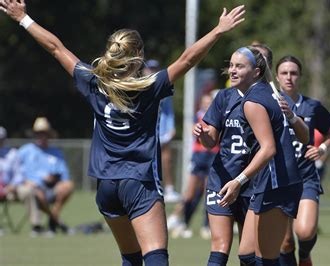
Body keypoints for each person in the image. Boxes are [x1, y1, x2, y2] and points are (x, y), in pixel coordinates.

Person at [0, 1, 245, 265]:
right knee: (155, 255)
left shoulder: (94, 82)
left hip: (107, 186)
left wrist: (23, 19)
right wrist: (218, 31)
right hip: (139, 182)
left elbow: (56, 48)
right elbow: (187, 59)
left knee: (130, 258)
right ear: (138, 55)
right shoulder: (150, 86)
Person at [216, 46, 307, 265]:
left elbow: (268, 149)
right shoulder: (269, 94)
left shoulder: (253, 101)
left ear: (256, 72)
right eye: (231, 65)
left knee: (267, 259)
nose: (233, 71)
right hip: (267, 182)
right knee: (247, 254)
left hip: (278, 183)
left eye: (240, 66)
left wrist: (238, 181)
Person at [275, 55, 330, 266]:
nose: (289, 77)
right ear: (277, 76)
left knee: (305, 231)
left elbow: (329, 133)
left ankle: (306, 254)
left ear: (300, 76)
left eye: (293, 73)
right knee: (285, 242)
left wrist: (322, 148)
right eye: (284, 73)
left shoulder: (312, 106)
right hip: (279, 180)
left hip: (306, 177)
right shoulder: (269, 105)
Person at [168, 93, 218, 239]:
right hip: (199, 156)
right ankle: (179, 220)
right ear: (201, 104)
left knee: (210, 193)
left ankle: (206, 226)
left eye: (210, 102)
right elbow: (192, 130)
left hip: (213, 155)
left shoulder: (217, 116)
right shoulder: (198, 116)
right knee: (190, 192)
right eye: (205, 102)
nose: (207, 104)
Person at [17, 117, 74, 235]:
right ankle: (56, 221)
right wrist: (24, 180)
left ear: (48, 135)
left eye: (44, 133)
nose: (41, 136)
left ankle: (53, 217)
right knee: (37, 193)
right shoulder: (25, 151)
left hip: (52, 187)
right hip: (33, 187)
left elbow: (64, 175)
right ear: (34, 134)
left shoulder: (56, 152)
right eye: (38, 133)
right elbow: (15, 170)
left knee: (68, 186)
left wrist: (55, 179)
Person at [143, 59, 181, 203]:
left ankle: (169, 188)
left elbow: (168, 110)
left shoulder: (163, 85)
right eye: (149, 68)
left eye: (155, 68)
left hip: (162, 128)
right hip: (147, 130)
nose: (152, 71)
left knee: (166, 159)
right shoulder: (139, 84)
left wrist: (171, 128)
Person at [0, 126, 40, 236]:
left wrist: (12, 186)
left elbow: (19, 174)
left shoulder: (12, 153)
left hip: (11, 190)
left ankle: (36, 226)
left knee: (28, 191)